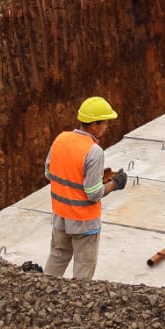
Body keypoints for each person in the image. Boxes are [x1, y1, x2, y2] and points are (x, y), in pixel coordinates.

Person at [44, 97, 127, 280]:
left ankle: (41, 297)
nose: (107, 127)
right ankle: (77, 307)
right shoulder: (94, 151)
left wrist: (91, 177)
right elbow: (93, 193)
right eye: (105, 123)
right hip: (84, 222)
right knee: (83, 269)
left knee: (57, 257)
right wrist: (115, 184)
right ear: (94, 126)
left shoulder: (61, 139)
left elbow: (50, 173)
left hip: (60, 216)